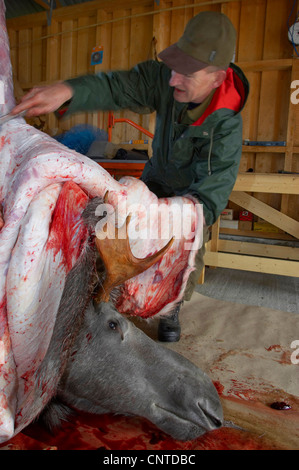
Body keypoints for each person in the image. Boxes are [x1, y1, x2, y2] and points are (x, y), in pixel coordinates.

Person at [11, 11, 249, 342]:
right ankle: (114, 293)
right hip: (155, 179)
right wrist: (68, 91)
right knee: (118, 231)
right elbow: (120, 86)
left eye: (187, 74)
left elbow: (209, 198)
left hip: (189, 197)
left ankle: (170, 307)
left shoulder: (226, 129)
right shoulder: (171, 78)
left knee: (183, 250)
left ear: (218, 78)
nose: (172, 80)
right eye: (174, 68)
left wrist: (168, 218)